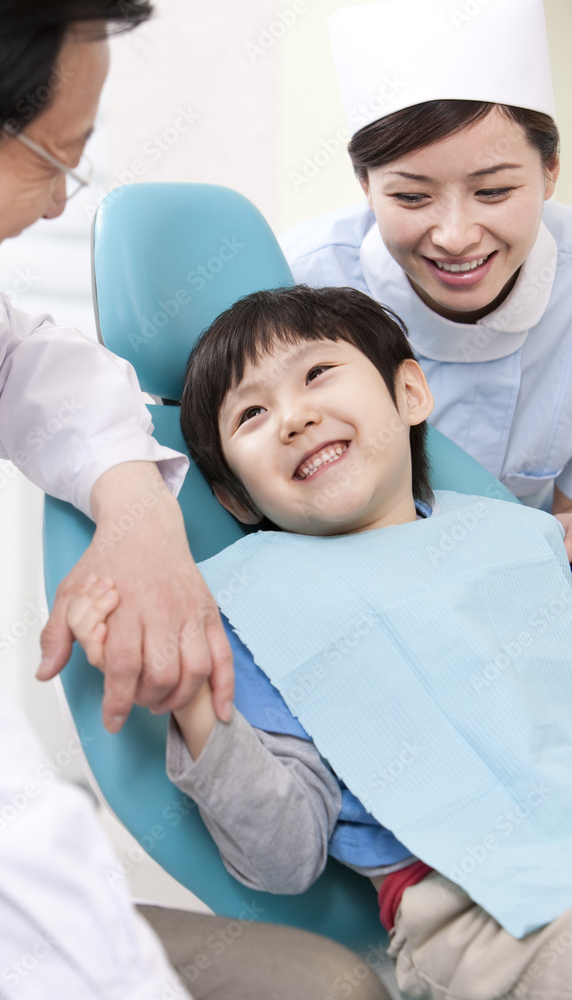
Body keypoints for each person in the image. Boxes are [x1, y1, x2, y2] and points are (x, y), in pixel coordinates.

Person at [0, 3, 386, 997]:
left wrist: (138, 515)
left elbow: (21, 368)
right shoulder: (254, 612)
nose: (53, 208)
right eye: (56, 160)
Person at [69, 285, 572, 1000]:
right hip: (481, 914)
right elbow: (283, 859)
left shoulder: (517, 539)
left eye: (316, 374)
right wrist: (193, 703)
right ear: (236, 500)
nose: (294, 416)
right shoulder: (246, 608)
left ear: (409, 393)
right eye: (251, 414)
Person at [279, 0, 572, 555]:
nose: (456, 236)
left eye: (493, 191)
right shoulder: (296, 283)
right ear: (365, 186)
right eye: (412, 197)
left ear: (550, 170)